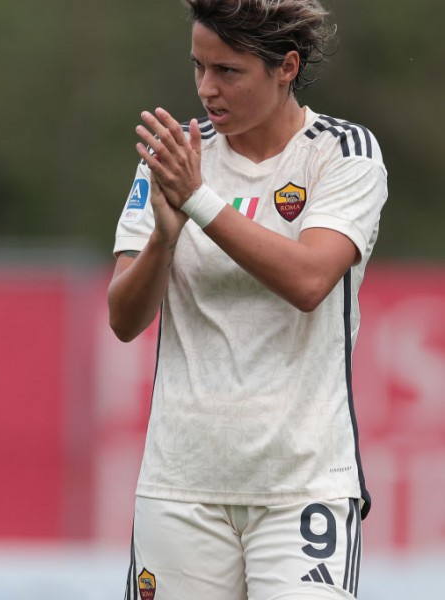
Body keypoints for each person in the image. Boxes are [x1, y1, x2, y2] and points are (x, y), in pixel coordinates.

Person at [107, 1, 387, 599]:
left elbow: (311, 282)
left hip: (303, 485)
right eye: (198, 68)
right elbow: (124, 319)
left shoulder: (343, 153)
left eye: (228, 71)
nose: (208, 88)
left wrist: (200, 203)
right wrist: (164, 235)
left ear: (285, 67)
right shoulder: (176, 158)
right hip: (181, 484)